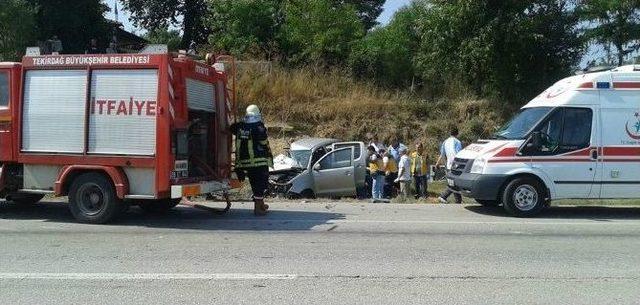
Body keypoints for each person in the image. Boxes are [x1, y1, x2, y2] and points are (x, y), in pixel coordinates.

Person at [230, 105, 274, 216]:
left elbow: (231, 128)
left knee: (254, 183)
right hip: (259, 161)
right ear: (258, 114)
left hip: (244, 162)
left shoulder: (239, 126)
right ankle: (258, 208)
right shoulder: (259, 127)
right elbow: (264, 142)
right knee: (261, 183)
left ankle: (261, 205)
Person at [436, 127, 463, 204]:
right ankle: (443, 196)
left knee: (453, 182)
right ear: (457, 133)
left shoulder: (445, 142)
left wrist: (437, 163)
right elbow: (459, 154)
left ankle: (458, 201)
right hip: (456, 165)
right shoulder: (457, 142)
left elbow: (442, 154)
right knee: (455, 183)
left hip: (448, 166)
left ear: (450, 133)